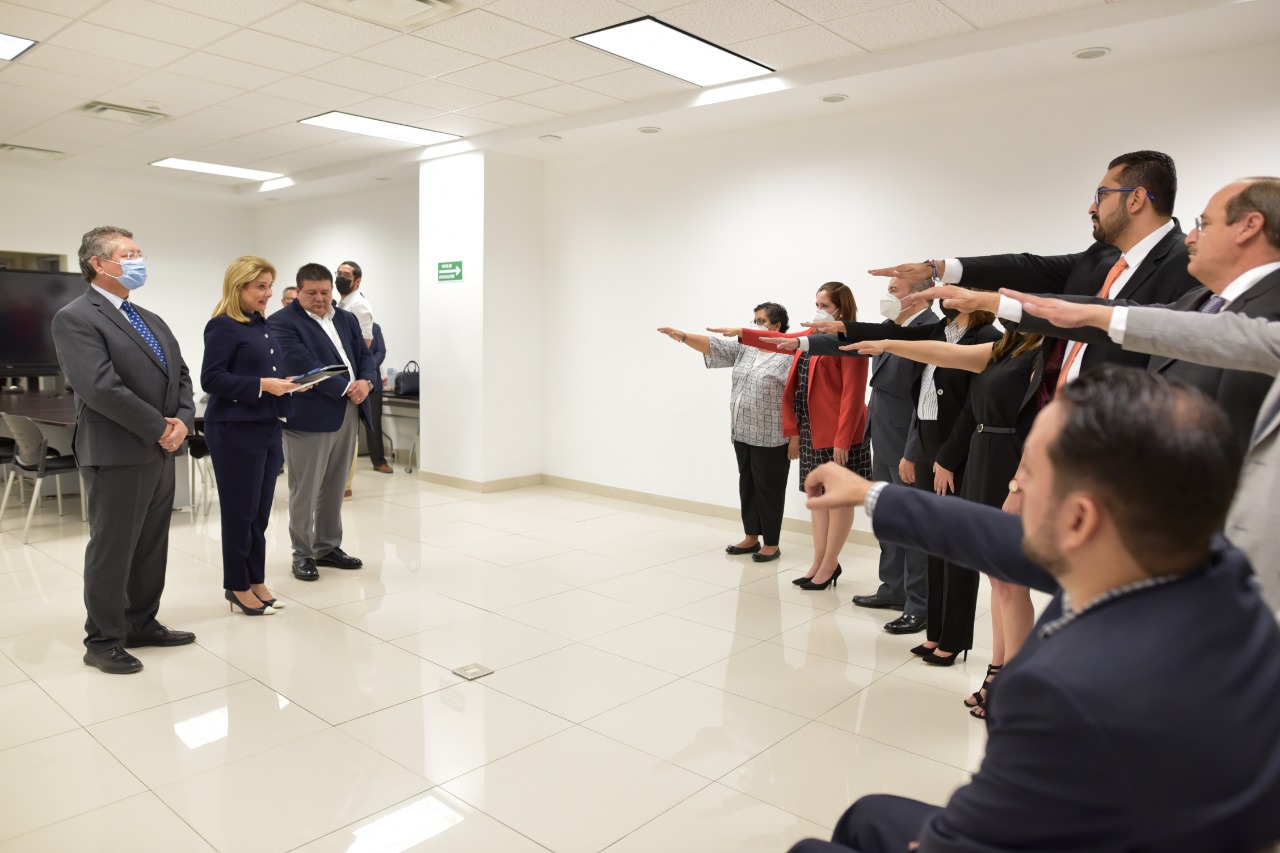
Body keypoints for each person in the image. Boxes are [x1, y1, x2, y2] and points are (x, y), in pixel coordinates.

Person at [790, 367, 1280, 852]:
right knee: (870, 815)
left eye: (1028, 471)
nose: (1014, 480)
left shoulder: (1059, 695)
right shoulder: (1212, 569)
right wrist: (871, 495)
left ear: (1079, 518)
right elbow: (1005, 541)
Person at [773, 283, 1000, 636]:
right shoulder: (919, 329)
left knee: (914, 526)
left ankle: (917, 603)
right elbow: (854, 347)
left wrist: (912, 451)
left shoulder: (938, 328)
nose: (888, 293)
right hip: (883, 435)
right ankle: (892, 588)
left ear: (919, 293)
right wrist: (802, 342)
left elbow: (925, 399)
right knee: (889, 521)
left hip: (916, 444)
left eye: (896, 288)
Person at [869, 151, 1200, 388]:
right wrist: (939, 267)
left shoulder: (1185, 265)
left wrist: (989, 302)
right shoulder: (1103, 256)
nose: (1092, 207)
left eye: (1101, 195)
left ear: (1136, 199)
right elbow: (1028, 267)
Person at [51, 226, 196, 674]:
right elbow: (100, 388)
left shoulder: (150, 318)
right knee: (114, 548)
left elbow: (182, 376)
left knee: (152, 544)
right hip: (116, 452)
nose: (139, 260)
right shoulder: (76, 317)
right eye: (129, 254)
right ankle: (103, 640)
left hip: (159, 450)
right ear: (99, 263)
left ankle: (140, 623)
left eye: (140, 252)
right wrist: (159, 427)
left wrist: (183, 423)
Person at [711, 282, 869, 590]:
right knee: (818, 498)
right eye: (817, 304)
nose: (818, 310)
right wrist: (744, 333)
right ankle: (818, 562)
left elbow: (853, 393)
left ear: (841, 308)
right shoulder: (811, 337)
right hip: (811, 429)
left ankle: (829, 564)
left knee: (837, 499)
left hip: (840, 433)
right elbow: (776, 341)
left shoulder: (852, 341)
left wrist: (842, 438)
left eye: (825, 306)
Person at [200, 256, 300, 616]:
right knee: (239, 512)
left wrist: (288, 384)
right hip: (234, 430)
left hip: (267, 424)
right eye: (260, 286)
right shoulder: (223, 326)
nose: (268, 293)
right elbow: (210, 379)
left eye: (270, 286)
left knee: (259, 513)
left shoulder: (261, 325)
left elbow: (268, 369)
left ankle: (256, 579)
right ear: (238, 286)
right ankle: (236, 585)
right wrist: (262, 385)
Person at [658, 302, 794, 561]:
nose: (755, 325)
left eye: (761, 321)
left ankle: (772, 543)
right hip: (741, 431)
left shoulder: (790, 356)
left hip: (772, 435)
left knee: (770, 487)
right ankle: (751, 537)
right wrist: (684, 337)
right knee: (748, 483)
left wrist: (795, 436)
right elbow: (714, 346)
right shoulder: (748, 349)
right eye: (754, 320)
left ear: (777, 326)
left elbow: (796, 399)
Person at [269, 263, 378, 582]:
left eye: (325, 293)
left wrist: (366, 383)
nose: (320, 299)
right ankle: (302, 553)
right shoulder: (282, 322)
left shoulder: (345, 318)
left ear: (333, 290)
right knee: (305, 488)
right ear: (298, 291)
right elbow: (299, 362)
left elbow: (364, 356)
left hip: (349, 408)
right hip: (310, 414)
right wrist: (346, 386)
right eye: (312, 293)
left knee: (335, 484)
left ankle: (328, 547)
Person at [336, 261, 391, 475]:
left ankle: (377, 461)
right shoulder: (340, 305)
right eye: (338, 273)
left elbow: (367, 351)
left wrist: (363, 376)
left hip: (362, 380)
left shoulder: (359, 306)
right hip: (348, 379)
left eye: (346, 274)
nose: (340, 277)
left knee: (370, 425)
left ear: (357, 281)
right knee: (348, 432)